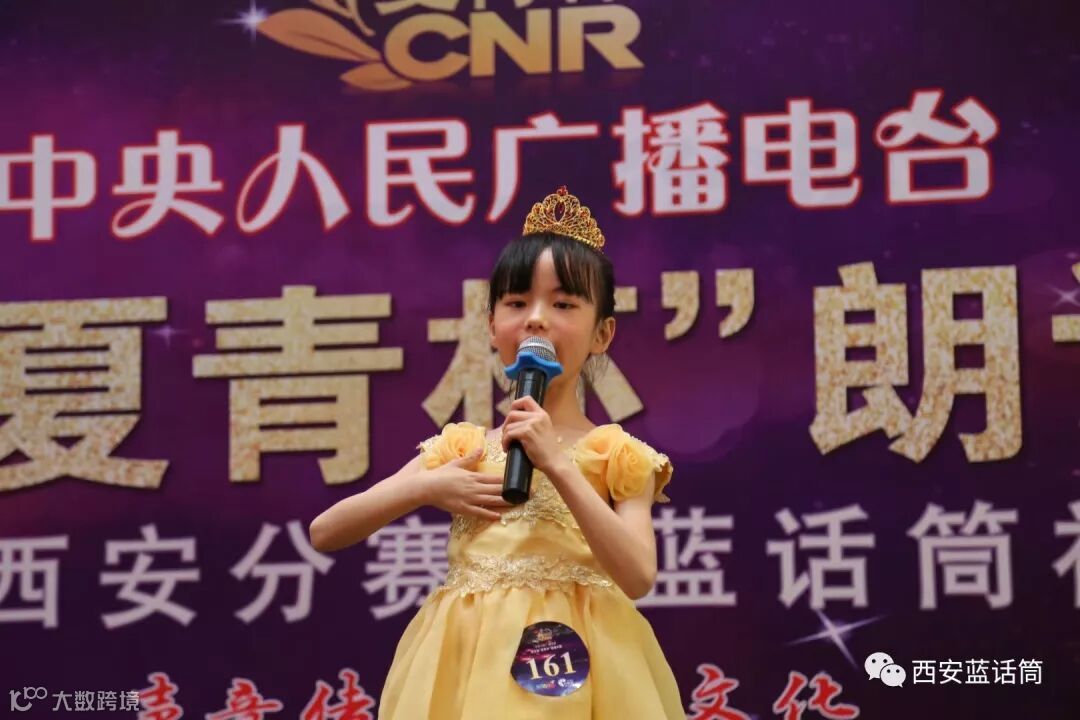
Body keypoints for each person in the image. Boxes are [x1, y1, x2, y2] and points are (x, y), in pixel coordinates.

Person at [309, 186, 683, 719]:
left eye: (563, 304)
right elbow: (325, 531)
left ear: (602, 333)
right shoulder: (464, 448)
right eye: (516, 303)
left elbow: (639, 575)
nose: (536, 319)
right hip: (470, 665)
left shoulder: (617, 454)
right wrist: (425, 488)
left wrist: (556, 463)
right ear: (491, 326)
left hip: (583, 670)